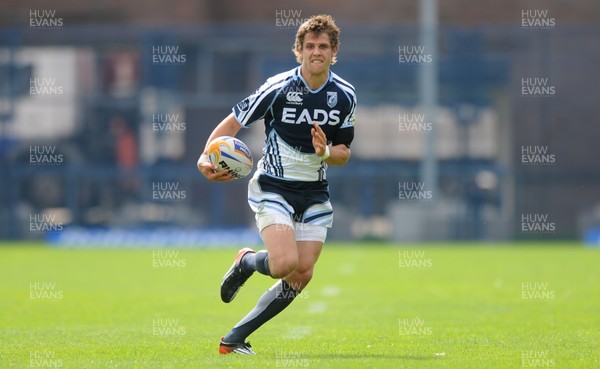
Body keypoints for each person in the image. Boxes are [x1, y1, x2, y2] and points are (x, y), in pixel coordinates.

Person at [197, 14, 356, 355]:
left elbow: (344, 152)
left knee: (302, 273)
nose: (317, 52)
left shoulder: (345, 95)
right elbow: (232, 124)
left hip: (314, 194)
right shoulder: (278, 87)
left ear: (334, 51)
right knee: (284, 264)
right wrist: (204, 158)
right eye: (310, 46)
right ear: (298, 51)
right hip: (274, 188)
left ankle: (234, 338)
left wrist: (326, 151)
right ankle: (247, 262)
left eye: (323, 46)